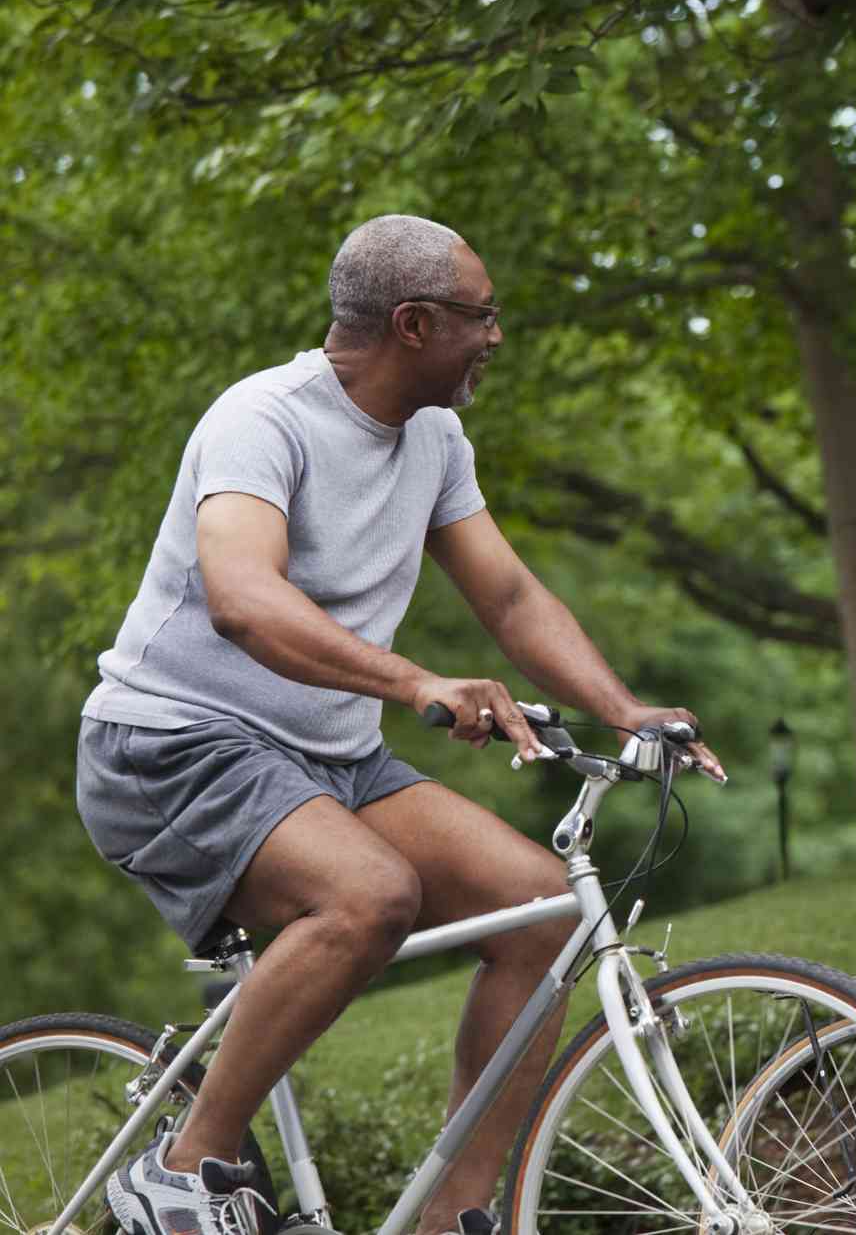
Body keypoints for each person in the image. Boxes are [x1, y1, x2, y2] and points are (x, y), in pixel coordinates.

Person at [78, 214, 724, 1235]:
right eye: (483, 314)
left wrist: (628, 708)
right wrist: (415, 678)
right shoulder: (263, 421)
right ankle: (184, 1164)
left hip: (325, 757)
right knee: (370, 893)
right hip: (172, 746)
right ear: (415, 323)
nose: (497, 336)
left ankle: (455, 1217)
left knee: (545, 910)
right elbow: (244, 596)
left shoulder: (435, 438)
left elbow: (508, 598)